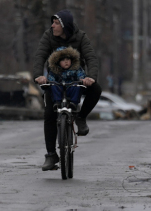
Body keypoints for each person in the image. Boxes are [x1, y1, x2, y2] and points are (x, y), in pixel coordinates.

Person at [33, 10, 102, 171]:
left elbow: (91, 57)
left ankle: (81, 118)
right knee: (49, 113)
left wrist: (90, 77)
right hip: (55, 80)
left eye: (56, 23)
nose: (52, 26)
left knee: (96, 89)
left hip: (75, 79)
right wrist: (38, 75)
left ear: (65, 26)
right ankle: (51, 155)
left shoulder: (81, 37)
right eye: (53, 23)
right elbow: (40, 56)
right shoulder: (48, 36)